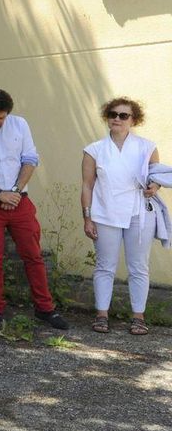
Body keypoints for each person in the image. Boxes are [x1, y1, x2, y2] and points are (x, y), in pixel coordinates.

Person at [0, 89, 67, 329]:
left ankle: (45, 308)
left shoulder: (20, 125)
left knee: (33, 255)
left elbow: (30, 159)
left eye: (1, 118)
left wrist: (15, 191)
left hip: (20, 200)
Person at [81, 97, 160, 336]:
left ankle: (138, 317)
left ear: (133, 120)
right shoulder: (94, 149)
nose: (117, 119)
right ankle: (102, 314)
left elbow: (157, 178)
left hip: (139, 214)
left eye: (123, 115)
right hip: (104, 214)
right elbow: (86, 186)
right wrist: (87, 217)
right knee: (105, 266)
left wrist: (153, 187)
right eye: (113, 114)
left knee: (138, 267)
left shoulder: (147, 147)